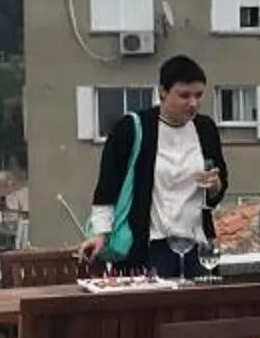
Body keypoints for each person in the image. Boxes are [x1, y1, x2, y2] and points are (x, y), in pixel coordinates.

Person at [82, 55, 225, 277]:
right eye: (184, 95)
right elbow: (107, 186)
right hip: (151, 245)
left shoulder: (206, 129)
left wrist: (215, 186)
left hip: (197, 245)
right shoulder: (131, 128)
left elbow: (217, 192)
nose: (193, 103)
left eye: (198, 95)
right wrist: (101, 234)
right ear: (163, 91)